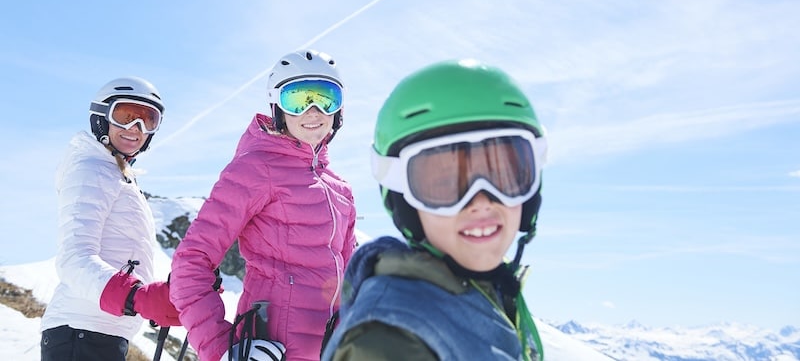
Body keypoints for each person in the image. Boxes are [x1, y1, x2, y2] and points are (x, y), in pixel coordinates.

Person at [321, 59, 548, 361]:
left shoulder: (490, 291)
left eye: (503, 176)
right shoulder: (388, 343)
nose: (480, 201)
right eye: (445, 183)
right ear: (404, 199)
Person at [169, 48, 358, 361]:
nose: (312, 111)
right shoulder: (256, 168)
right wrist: (222, 349)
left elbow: (351, 280)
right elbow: (191, 261)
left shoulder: (340, 189)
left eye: (326, 98)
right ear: (277, 107)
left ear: (339, 108)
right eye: (297, 99)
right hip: (271, 352)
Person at [40, 77, 180, 361]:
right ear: (101, 118)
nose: (136, 129)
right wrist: (138, 298)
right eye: (126, 116)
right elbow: (74, 259)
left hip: (100, 330)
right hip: (81, 331)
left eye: (148, 120)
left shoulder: (116, 174)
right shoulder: (91, 169)